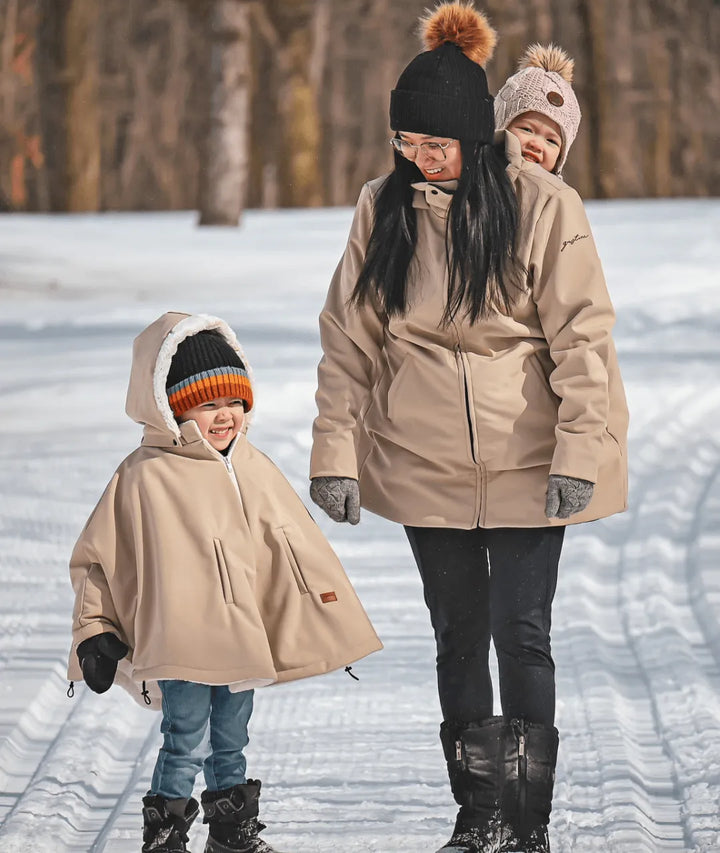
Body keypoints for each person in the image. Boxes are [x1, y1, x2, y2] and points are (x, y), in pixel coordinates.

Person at [308, 3, 628, 853]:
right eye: (405, 144)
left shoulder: (541, 206)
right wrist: (334, 453)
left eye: (435, 146)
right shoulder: (385, 209)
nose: (419, 160)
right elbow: (348, 342)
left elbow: (583, 341)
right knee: (457, 638)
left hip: (530, 458)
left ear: (473, 139)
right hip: (425, 462)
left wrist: (580, 451)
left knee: (522, 633)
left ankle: (526, 824)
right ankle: (478, 813)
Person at [67, 311, 382, 853]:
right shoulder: (144, 475)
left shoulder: (252, 465)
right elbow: (99, 560)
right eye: (208, 403)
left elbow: (294, 547)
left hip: (242, 637)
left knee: (232, 739)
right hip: (184, 639)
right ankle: (165, 835)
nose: (225, 416)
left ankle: (232, 833)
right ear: (171, 406)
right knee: (183, 737)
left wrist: (319, 609)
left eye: (235, 402)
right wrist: (93, 630)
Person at [494, 43, 581, 176]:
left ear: (560, 158)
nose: (536, 145)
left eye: (551, 141)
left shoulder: (557, 195)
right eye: (527, 129)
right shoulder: (470, 181)